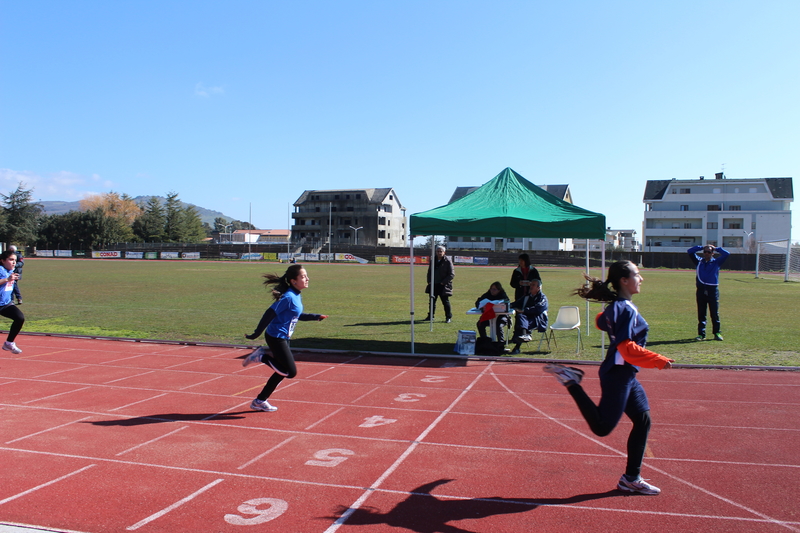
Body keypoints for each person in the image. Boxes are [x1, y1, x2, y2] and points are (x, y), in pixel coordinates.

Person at [543, 260, 673, 495]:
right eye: (637, 274)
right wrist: (657, 360)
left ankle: (631, 479)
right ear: (624, 280)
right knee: (602, 427)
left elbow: (600, 322)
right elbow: (626, 348)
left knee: (643, 420)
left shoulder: (617, 306)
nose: (641, 279)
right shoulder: (624, 308)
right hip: (618, 374)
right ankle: (571, 380)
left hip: (625, 373)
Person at [241, 264, 328, 412]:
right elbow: (269, 313)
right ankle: (262, 357)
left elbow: (296, 315)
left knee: (281, 372)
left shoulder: (296, 295)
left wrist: (315, 317)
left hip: (284, 337)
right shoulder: (288, 297)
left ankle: (259, 401)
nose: (307, 279)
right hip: (276, 337)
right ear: (294, 281)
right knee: (290, 372)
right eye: (303, 276)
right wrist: (256, 333)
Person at [687, 244, 729, 341]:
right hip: (701, 289)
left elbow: (727, 254)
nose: (706, 253)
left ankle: (717, 333)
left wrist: (716, 248)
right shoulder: (699, 261)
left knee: (714, 313)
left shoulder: (717, 262)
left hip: (712, 290)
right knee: (702, 313)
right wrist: (702, 247)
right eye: (705, 252)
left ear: (712, 253)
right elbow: (690, 251)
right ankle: (701, 334)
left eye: (709, 252)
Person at [509, 278, 548, 355]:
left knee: (522, 321)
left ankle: (518, 346)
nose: (531, 286)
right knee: (520, 317)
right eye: (530, 284)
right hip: (526, 319)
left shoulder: (543, 298)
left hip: (538, 320)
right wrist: (506, 305)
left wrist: (524, 310)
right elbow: (517, 303)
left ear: (538, 288)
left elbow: (538, 309)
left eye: (533, 285)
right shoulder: (527, 296)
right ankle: (525, 335)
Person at [0, 250, 25, 354]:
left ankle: (9, 343)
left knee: (20, 318)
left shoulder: (11, 270)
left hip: (5, 304)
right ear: (2, 261)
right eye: (11, 259)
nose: (14, 262)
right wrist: (7, 279)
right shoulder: (0, 270)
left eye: (15, 260)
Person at [424, 246, 455, 323]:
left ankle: (448, 317)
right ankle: (430, 316)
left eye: (441, 251)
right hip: (433, 284)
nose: (439, 253)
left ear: (444, 252)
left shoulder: (447, 261)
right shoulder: (433, 260)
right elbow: (429, 272)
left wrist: (443, 282)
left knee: (445, 302)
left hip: (443, 285)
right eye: (438, 251)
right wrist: (429, 281)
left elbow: (451, 274)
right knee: (432, 301)